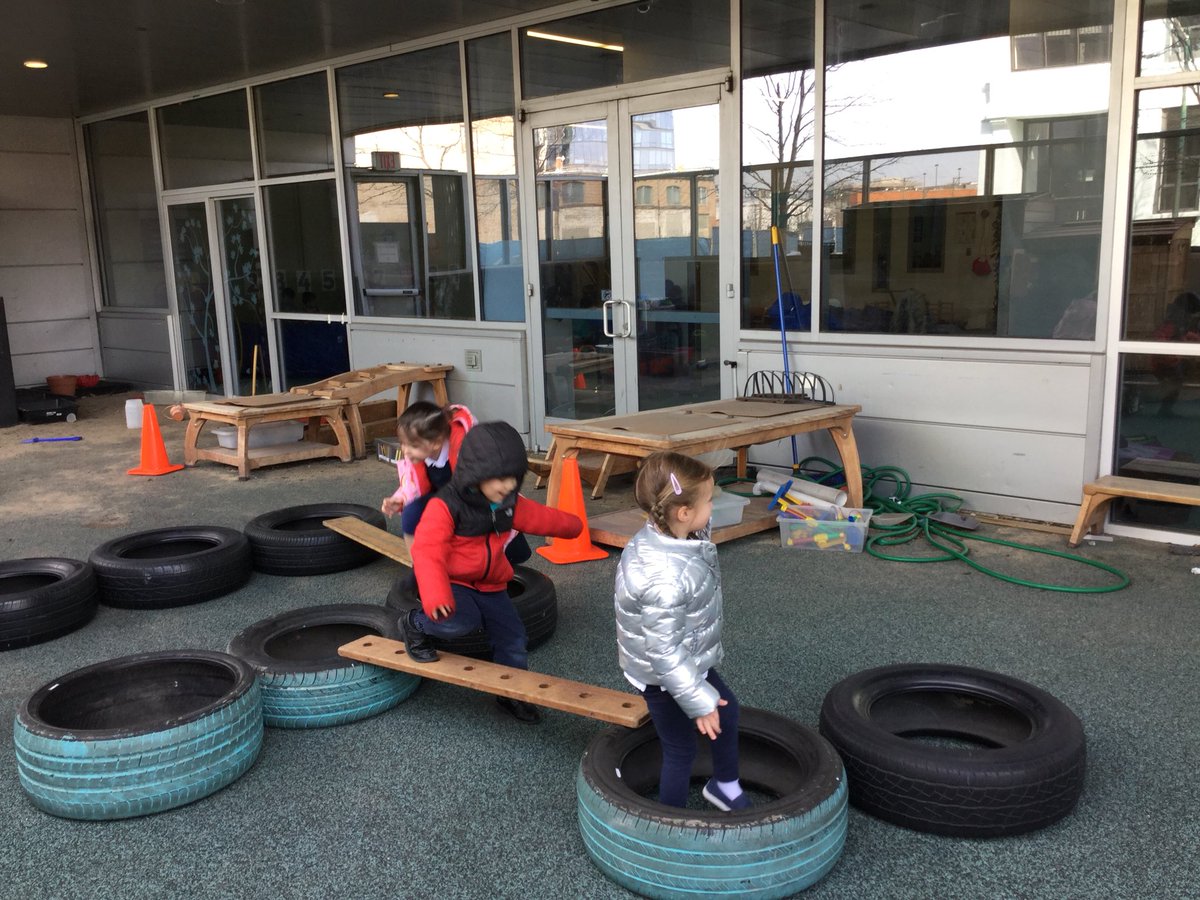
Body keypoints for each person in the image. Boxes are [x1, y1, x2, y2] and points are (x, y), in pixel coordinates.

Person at [399, 421, 583, 723]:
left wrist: (573, 526)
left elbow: (539, 517)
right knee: (457, 622)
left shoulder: (506, 502)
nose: (508, 485)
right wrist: (434, 593)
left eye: (513, 478)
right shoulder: (445, 506)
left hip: (492, 585)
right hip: (454, 581)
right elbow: (427, 550)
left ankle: (511, 695)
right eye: (500, 478)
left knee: (513, 639)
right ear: (476, 473)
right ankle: (414, 624)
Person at [612, 451, 749, 812]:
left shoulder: (669, 532)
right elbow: (663, 653)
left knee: (728, 711)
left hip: (687, 656)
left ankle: (724, 785)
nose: (713, 507)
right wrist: (699, 703)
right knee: (680, 749)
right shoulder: (666, 579)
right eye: (710, 501)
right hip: (661, 674)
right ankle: (669, 824)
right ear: (683, 512)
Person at [381, 401, 474, 545]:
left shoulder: (461, 452)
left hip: (468, 500)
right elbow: (411, 484)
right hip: (440, 499)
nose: (405, 451)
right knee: (411, 513)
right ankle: (418, 564)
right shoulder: (418, 457)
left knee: (515, 551)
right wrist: (400, 499)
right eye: (403, 443)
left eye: (413, 445)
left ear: (436, 443)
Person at [1151, 292, 1200, 415]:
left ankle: (1166, 408)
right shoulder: (1172, 323)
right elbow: (1161, 340)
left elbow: (1185, 335)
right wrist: (1174, 354)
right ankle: (1165, 409)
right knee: (1176, 380)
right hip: (1164, 362)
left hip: (1171, 360)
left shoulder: (1178, 321)